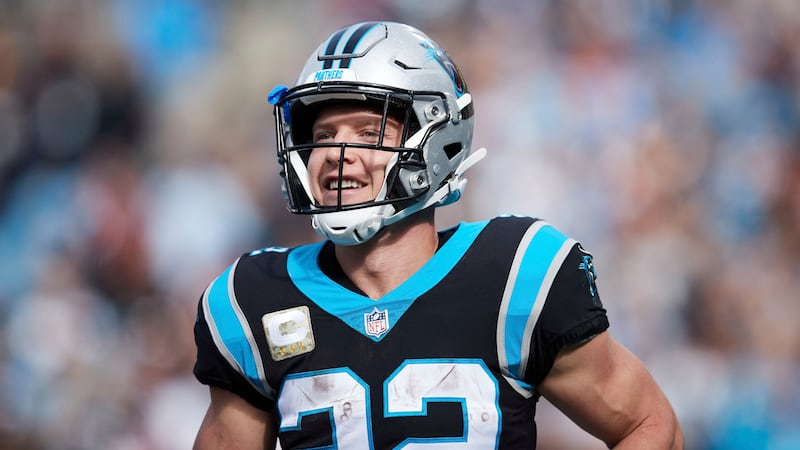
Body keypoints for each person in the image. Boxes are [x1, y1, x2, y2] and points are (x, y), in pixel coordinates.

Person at [192, 21, 683, 449]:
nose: (338, 156)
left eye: (368, 133)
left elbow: (648, 423)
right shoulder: (255, 298)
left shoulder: (513, 275)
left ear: (436, 138)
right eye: (323, 136)